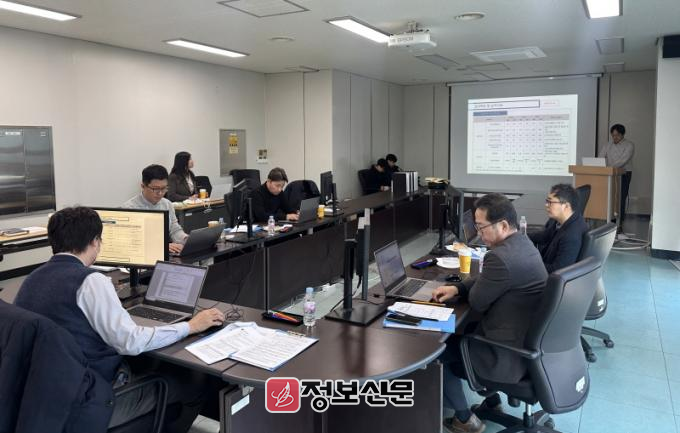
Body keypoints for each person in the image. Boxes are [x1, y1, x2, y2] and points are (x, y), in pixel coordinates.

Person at [14, 207, 225, 432]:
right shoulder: (91, 282)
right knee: (193, 381)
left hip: (44, 395)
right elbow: (130, 342)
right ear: (95, 242)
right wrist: (190, 326)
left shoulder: (32, 278)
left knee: (148, 361)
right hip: (90, 399)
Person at [431, 193, 548, 433]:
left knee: (437, 349)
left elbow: (478, 302)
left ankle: (464, 419)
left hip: (504, 355)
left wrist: (468, 289)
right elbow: (491, 280)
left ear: (503, 225)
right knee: (462, 329)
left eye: (481, 227)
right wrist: (458, 287)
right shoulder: (523, 243)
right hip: (527, 347)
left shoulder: (500, 257)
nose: (478, 233)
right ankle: (492, 403)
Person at [123, 164, 188, 255]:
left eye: (164, 188)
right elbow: (131, 241)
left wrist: (186, 239)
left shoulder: (167, 204)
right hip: (142, 255)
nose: (160, 193)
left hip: (165, 253)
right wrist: (161, 246)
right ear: (143, 186)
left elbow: (174, 230)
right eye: (155, 189)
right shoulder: (129, 208)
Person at [530, 184, 588, 273]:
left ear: (566, 206)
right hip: (544, 263)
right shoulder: (563, 219)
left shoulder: (571, 236)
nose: (546, 205)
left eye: (550, 202)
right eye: (547, 201)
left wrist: (529, 265)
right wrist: (522, 236)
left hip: (549, 275)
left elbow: (558, 270)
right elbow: (545, 236)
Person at [598, 124, 634, 223]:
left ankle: (620, 222)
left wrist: (609, 167)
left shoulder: (629, 145)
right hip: (609, 174)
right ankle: (610, 220)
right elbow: (600, 157)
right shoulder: (608, 145)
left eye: (617, 135)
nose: (615, 137)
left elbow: (623, 160)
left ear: (622, 135)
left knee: (620, 198)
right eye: (613, 135)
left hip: (624, 174)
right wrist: (601, 166)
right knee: (610, 197)